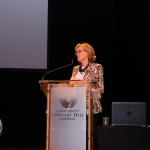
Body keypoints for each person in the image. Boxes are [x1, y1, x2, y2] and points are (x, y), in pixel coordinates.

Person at [69, 42, 104, 149]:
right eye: (76, 52)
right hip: (75, 107)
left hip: (91, 108)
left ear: (87, 53)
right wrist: (71, 84)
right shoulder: (75, 69)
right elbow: (70, 86)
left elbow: (100, 89)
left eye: (79, 51)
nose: (77, 54)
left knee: (88, 136)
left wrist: (83, 84)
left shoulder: (97, 67)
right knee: (77, 136)